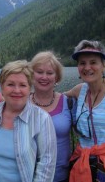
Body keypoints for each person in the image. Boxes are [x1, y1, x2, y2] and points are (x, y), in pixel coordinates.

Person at [0, 60, 57, 182]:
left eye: (23, 85)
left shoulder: (41, 119)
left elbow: (47, 165)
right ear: (2, 86)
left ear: (30, 88)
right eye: (10, 84)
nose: (17, 90)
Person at [65, 40, 105, 182]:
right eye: (82, 63)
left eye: (93, 62)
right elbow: (53, 99)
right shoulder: (79, 90)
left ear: (104, 66)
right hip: (84, 163)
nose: (87, 67)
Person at [30, 51, 71, 182]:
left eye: (50, 73)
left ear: (56, 77)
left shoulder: (68, 102)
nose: (44, 77)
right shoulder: (21, 103)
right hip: (27, 175)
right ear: (31, 75)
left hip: (62, 176)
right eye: (39, 72)